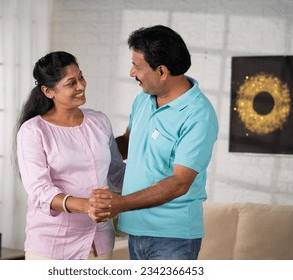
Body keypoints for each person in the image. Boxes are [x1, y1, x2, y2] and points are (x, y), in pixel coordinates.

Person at [91, 25, 219, 260]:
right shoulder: (143, 100)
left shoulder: (198, 114)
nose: (131, 73)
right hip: (136, 230)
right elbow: (129, 143)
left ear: (161, 71)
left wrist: (121, 204)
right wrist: (90, 149)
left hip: (173, 238)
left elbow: (180, 183)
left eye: (137, 66)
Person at [15, 51, 125, 260]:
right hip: (52, 245)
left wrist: (160, 181)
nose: (81, 86)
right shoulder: (34, 131)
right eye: (71, 83)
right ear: (48, 91)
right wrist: (85, 205)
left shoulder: (99, 121)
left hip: (99, 243)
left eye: (81, 77)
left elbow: (117, 172)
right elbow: (40, 190)